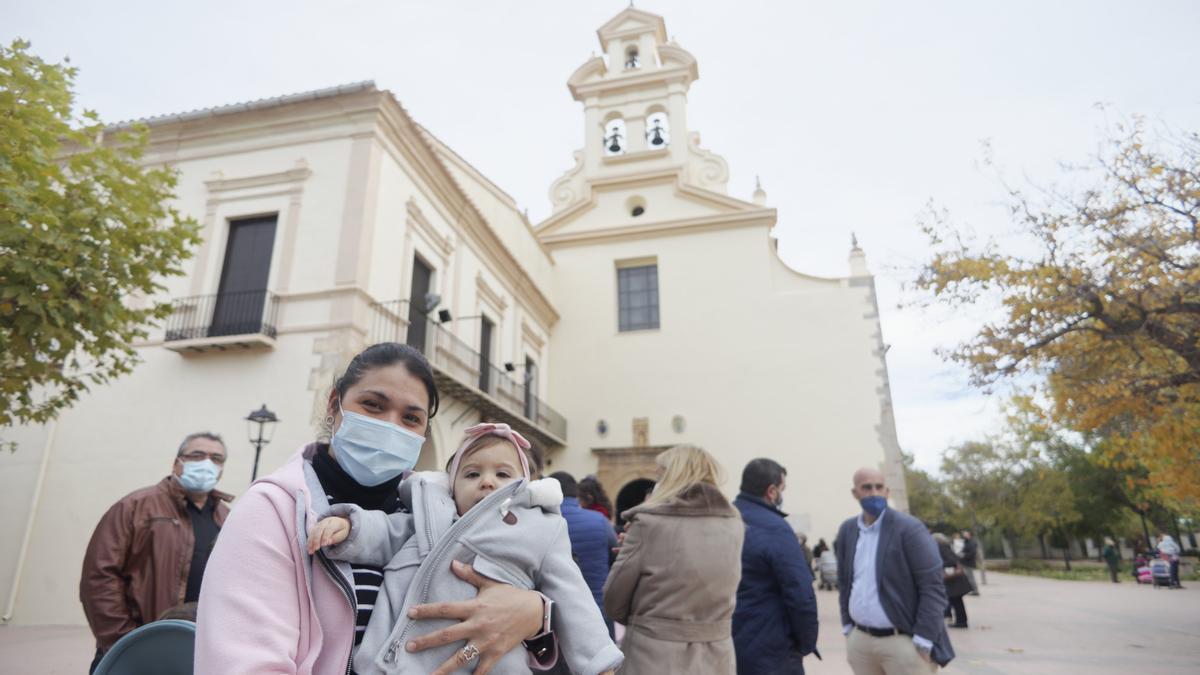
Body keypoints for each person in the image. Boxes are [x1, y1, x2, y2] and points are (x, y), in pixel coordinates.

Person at [195, 343, 555, 675]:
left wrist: (536, 613)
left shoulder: (442, 511)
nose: (389, 425)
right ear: (334, 404)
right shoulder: (273, 511)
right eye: (373, 405)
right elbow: (244, 663)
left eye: (410, 418)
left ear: (424, 431)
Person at [308, 424, 622, 675]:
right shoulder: (427, 517)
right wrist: (351, 527)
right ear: (451, 485)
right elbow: (389, 531)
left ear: (525, 486)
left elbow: (574, 598)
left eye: (503, 474)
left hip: (488, 664)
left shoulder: (541, 530)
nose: (486, 482)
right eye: (472, 474)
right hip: (392, 662)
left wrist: (598, 663)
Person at [80, 432, 232, 673]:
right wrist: (126, 642)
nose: (207, 463)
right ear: (177, 463)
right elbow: (99, 577)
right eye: (197, 455)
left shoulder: (227, 519)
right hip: (134, 645)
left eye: (216, 458)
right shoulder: (134, 507)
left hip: (191, 651)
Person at [603, 445, 744, 674]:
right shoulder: (734, 524)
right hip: (716, 657)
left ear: (671, 477)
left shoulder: (647, 523)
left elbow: (613, 602)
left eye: (659, 475)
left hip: (654, 657)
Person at [835, 467, 954, 673]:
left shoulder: (909, 529)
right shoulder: (848, 530)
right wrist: (847, 627)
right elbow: (845, 582)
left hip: (903, 642)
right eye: (866, 487)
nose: (874, 493)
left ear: (887, 491)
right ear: (855, 493)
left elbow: (932, 587)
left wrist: (924, 639)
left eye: (879, 487)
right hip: (861, 641)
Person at [732, 458, 820, 675]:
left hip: (726, 646)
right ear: (771, 491)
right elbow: (800, 594)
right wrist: (806, 643)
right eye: (783, 489)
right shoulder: (775, 528)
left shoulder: (723, 519)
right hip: (772, 651)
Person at [551, 472, 618, 625]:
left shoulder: (540, 522)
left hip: (558, 613)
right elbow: (616, 554)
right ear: (576, 493)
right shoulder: (600, 521)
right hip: (597, 608)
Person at [931, 533, 969, 629]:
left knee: (956, 600)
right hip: (954, 578)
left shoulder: (942, 547)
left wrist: (939, 564)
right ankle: (961, 621)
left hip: (953, 578)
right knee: (956, 600)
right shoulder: (945, 546)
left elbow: (951, 561)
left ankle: (961, 622)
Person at [959, 531, 980, 596]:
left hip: (969, 562)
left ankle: (975, 591)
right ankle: (971, 590)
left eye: (966, 534)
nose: (964, 535)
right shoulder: (967, 541)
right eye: (964, 534)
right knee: (968, 577)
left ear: (969, 534)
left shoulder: (972, 542)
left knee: (970, 577)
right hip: (965, 562)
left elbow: (972, 553)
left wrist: (964, 555)